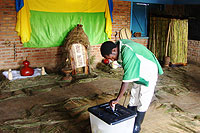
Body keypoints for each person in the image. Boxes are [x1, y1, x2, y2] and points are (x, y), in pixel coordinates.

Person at [100, 39, 163, 133]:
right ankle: (129, 119)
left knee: (143, 99)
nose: (111, 60)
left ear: (114, 50)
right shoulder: (120, 46)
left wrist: (117, 99)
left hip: (149, 71)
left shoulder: (127, 51)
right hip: (138, 70)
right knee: (134, 94)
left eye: (111, 57)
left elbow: (126, 81)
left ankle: (137, 126)